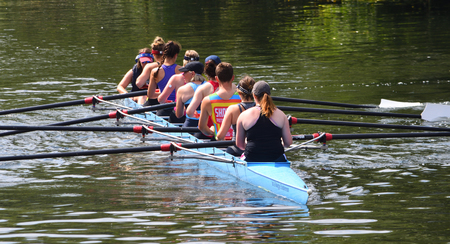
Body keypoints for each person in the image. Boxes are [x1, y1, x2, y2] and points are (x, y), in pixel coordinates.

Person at [236, 81, 292, 162]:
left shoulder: (243, 115)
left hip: (251, 158)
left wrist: (255, 148)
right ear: (269, 95)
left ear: (254, 96)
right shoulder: (281, 115)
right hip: (276, 158)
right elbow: (288, 143)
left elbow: (240, 145)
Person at [198, 62, 241, 139]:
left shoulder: (207, 100)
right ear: (233, 78)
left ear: (217, 79)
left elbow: (202, 127)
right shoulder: (241, 98)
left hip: (219, 143)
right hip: (237, 143)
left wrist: (212, 132)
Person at [216, 76, 255, 156]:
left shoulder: (233, 109)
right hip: (255, 149)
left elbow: (220, 136)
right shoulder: (261, 108)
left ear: (239, 93)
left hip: (237, 150)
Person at [157, 50, 200, 123]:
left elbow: (161, 100)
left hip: (179, 115)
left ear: (184, 63)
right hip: (197, 116)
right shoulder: (204, 82)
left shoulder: (176, 78)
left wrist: (171, 101)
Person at [145, 41, 182, 117]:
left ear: (164, 54)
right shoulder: (182, 70)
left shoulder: (155, 71)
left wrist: (163, 93)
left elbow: (150, 95)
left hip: (163, 110)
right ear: (176, 55)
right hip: (178, 110)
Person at [136, 36, 165, 106]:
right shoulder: (176, 67)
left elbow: (139, 83)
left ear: (153, 54)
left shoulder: (150, 66)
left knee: (143, 98)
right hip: (170, 101)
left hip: (155, 101)